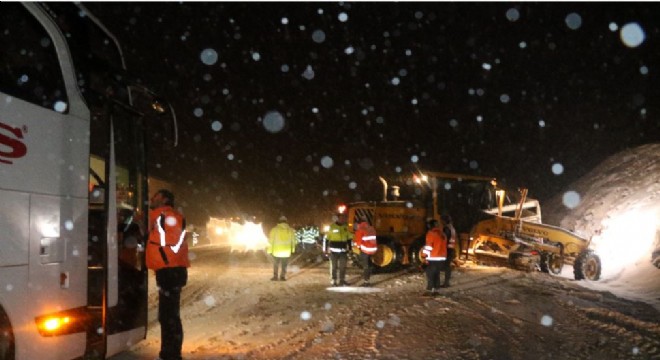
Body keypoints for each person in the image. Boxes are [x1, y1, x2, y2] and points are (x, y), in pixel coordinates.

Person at [146, 189, 189, 360]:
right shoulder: (168, 216)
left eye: (155, 197)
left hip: (169, 270)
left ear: (164, 199)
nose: (152, 200)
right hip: (172, 269)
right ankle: (169, 352)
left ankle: (171, 354)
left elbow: (169, 243)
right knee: (169, 315)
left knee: (168, 316)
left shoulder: (164, 216)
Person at [323, 213, 352, 286]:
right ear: (338, 219)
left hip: (343, 251)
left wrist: (350, 248)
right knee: (334, 267)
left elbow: (349, 239)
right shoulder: (332, 227)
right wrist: (325, 249)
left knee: (343, 267)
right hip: (334, 251)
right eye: (341, 218)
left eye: (344, 218)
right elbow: (326, 239)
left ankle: (342, 280)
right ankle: (334, 280)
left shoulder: (346, 227)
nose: (343, 219)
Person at [421, 219, 448, 296]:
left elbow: (429, 247)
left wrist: (424, 256)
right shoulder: (443, 234)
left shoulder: (431, 234)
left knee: (430, 274)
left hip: (433, 257)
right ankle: (435, 290)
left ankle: (429, 291)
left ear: (430, 226)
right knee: (436, 274)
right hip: (442, 258)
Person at [267, 215, 296, 281]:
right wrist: (293, 250)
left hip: (276, 251)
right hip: (286, 251)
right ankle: (282, 277)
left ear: (279, 221)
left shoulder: (274, 230)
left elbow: (271, 241)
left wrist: (269, 250)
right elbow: (293, 241)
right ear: (286, 222)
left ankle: (275, 276)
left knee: (276, 264)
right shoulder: (291, 230)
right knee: (284, 265)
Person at [353, 219, 378, 287]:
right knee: (369, 264)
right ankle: (369, 275)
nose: (356, 227)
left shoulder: (360, 230)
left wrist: (355, 245)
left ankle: (366, 282)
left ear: (359, 224)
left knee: (365, 266)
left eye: (356, 225)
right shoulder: (371, 228)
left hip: (365, 250)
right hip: (373, 249)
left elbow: (358, 243)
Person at [441, 214, 457, 288]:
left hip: (447, 249)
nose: (441, 222)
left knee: (446, 266)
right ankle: (446, 282)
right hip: (451, 248)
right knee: (447, 266)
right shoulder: (452, 228)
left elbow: (445, 239)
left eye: (442, 220)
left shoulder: (446, 228)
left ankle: (446, 283)